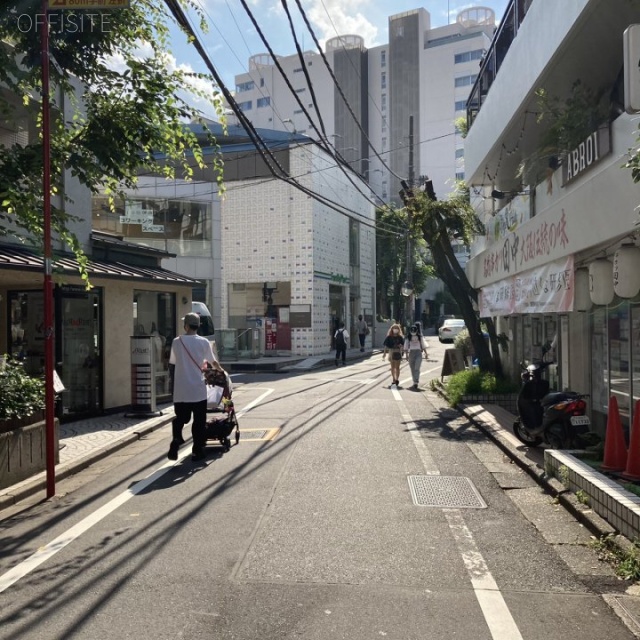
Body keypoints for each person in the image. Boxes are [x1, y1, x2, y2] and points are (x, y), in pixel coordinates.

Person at [168, 312, 225, 462]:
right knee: (198, 421)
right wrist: (221, 371)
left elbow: (173, 362)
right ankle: (197, 451)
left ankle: (176, 439)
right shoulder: (204, 342)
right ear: (198, 326)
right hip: (198, 390)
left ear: (186, 326)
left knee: (181, 418)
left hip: (180, 390)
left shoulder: (176, 341)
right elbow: (213, 362)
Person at [404, 324, 428, 391]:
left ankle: (416, 382)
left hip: (418, 353)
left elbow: (423, 345)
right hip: (411, 353)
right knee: (412, 368)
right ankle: (414, 382)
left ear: (417, 331)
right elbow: (406, 346)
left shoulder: (420, 337)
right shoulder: (408, 337)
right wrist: (406, 355)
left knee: (417, 367)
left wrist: (426, 354)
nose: (413, 334)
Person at [382, 323, 404, 388]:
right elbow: (386, 346)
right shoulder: (389, 337)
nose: (395, 330)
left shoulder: (400, 337)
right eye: (394, 328)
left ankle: (397, 379)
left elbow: (403, 345)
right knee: (392, 367)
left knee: (397, 367)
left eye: (397, 328)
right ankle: (394, 379)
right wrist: (384, 354)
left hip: (398, 352)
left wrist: (401, 347)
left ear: (399, 329)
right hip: (391, 352)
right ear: (391, 329)